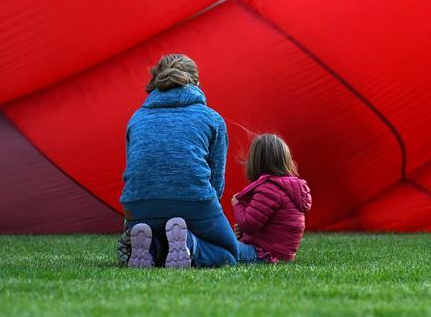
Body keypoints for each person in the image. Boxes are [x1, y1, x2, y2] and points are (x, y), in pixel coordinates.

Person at [116, 53, 238, 268]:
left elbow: (134, 169)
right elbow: (217, 179)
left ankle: (151, 247)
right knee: (229, 253)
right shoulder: (211, 118)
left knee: (160, 229)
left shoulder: (137, 117)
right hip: (193, 202)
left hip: (138, 208)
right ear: (197, 84)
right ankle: (190, 243)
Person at [231, 134, 312, 263]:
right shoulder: (286, 188)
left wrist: (237, 203)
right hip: (279, 254)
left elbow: (248, 224)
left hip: (264, 255)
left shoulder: (269, 189)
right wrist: (244, 234)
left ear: (256, 162)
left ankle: (196, 252)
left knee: (222, 246)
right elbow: (267, 225)